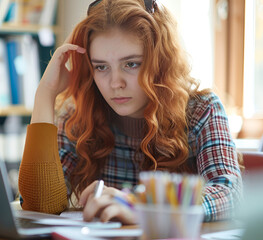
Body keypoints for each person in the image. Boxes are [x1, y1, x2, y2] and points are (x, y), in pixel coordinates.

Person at [18, 0, 243, 224]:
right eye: (101, 67)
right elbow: (41, 205)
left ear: (159, 61)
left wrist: (141, 206)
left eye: (131, 64)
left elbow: (229, 194)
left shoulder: (202, 111)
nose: (115, 83)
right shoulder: (80, 118)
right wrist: (45, 94)